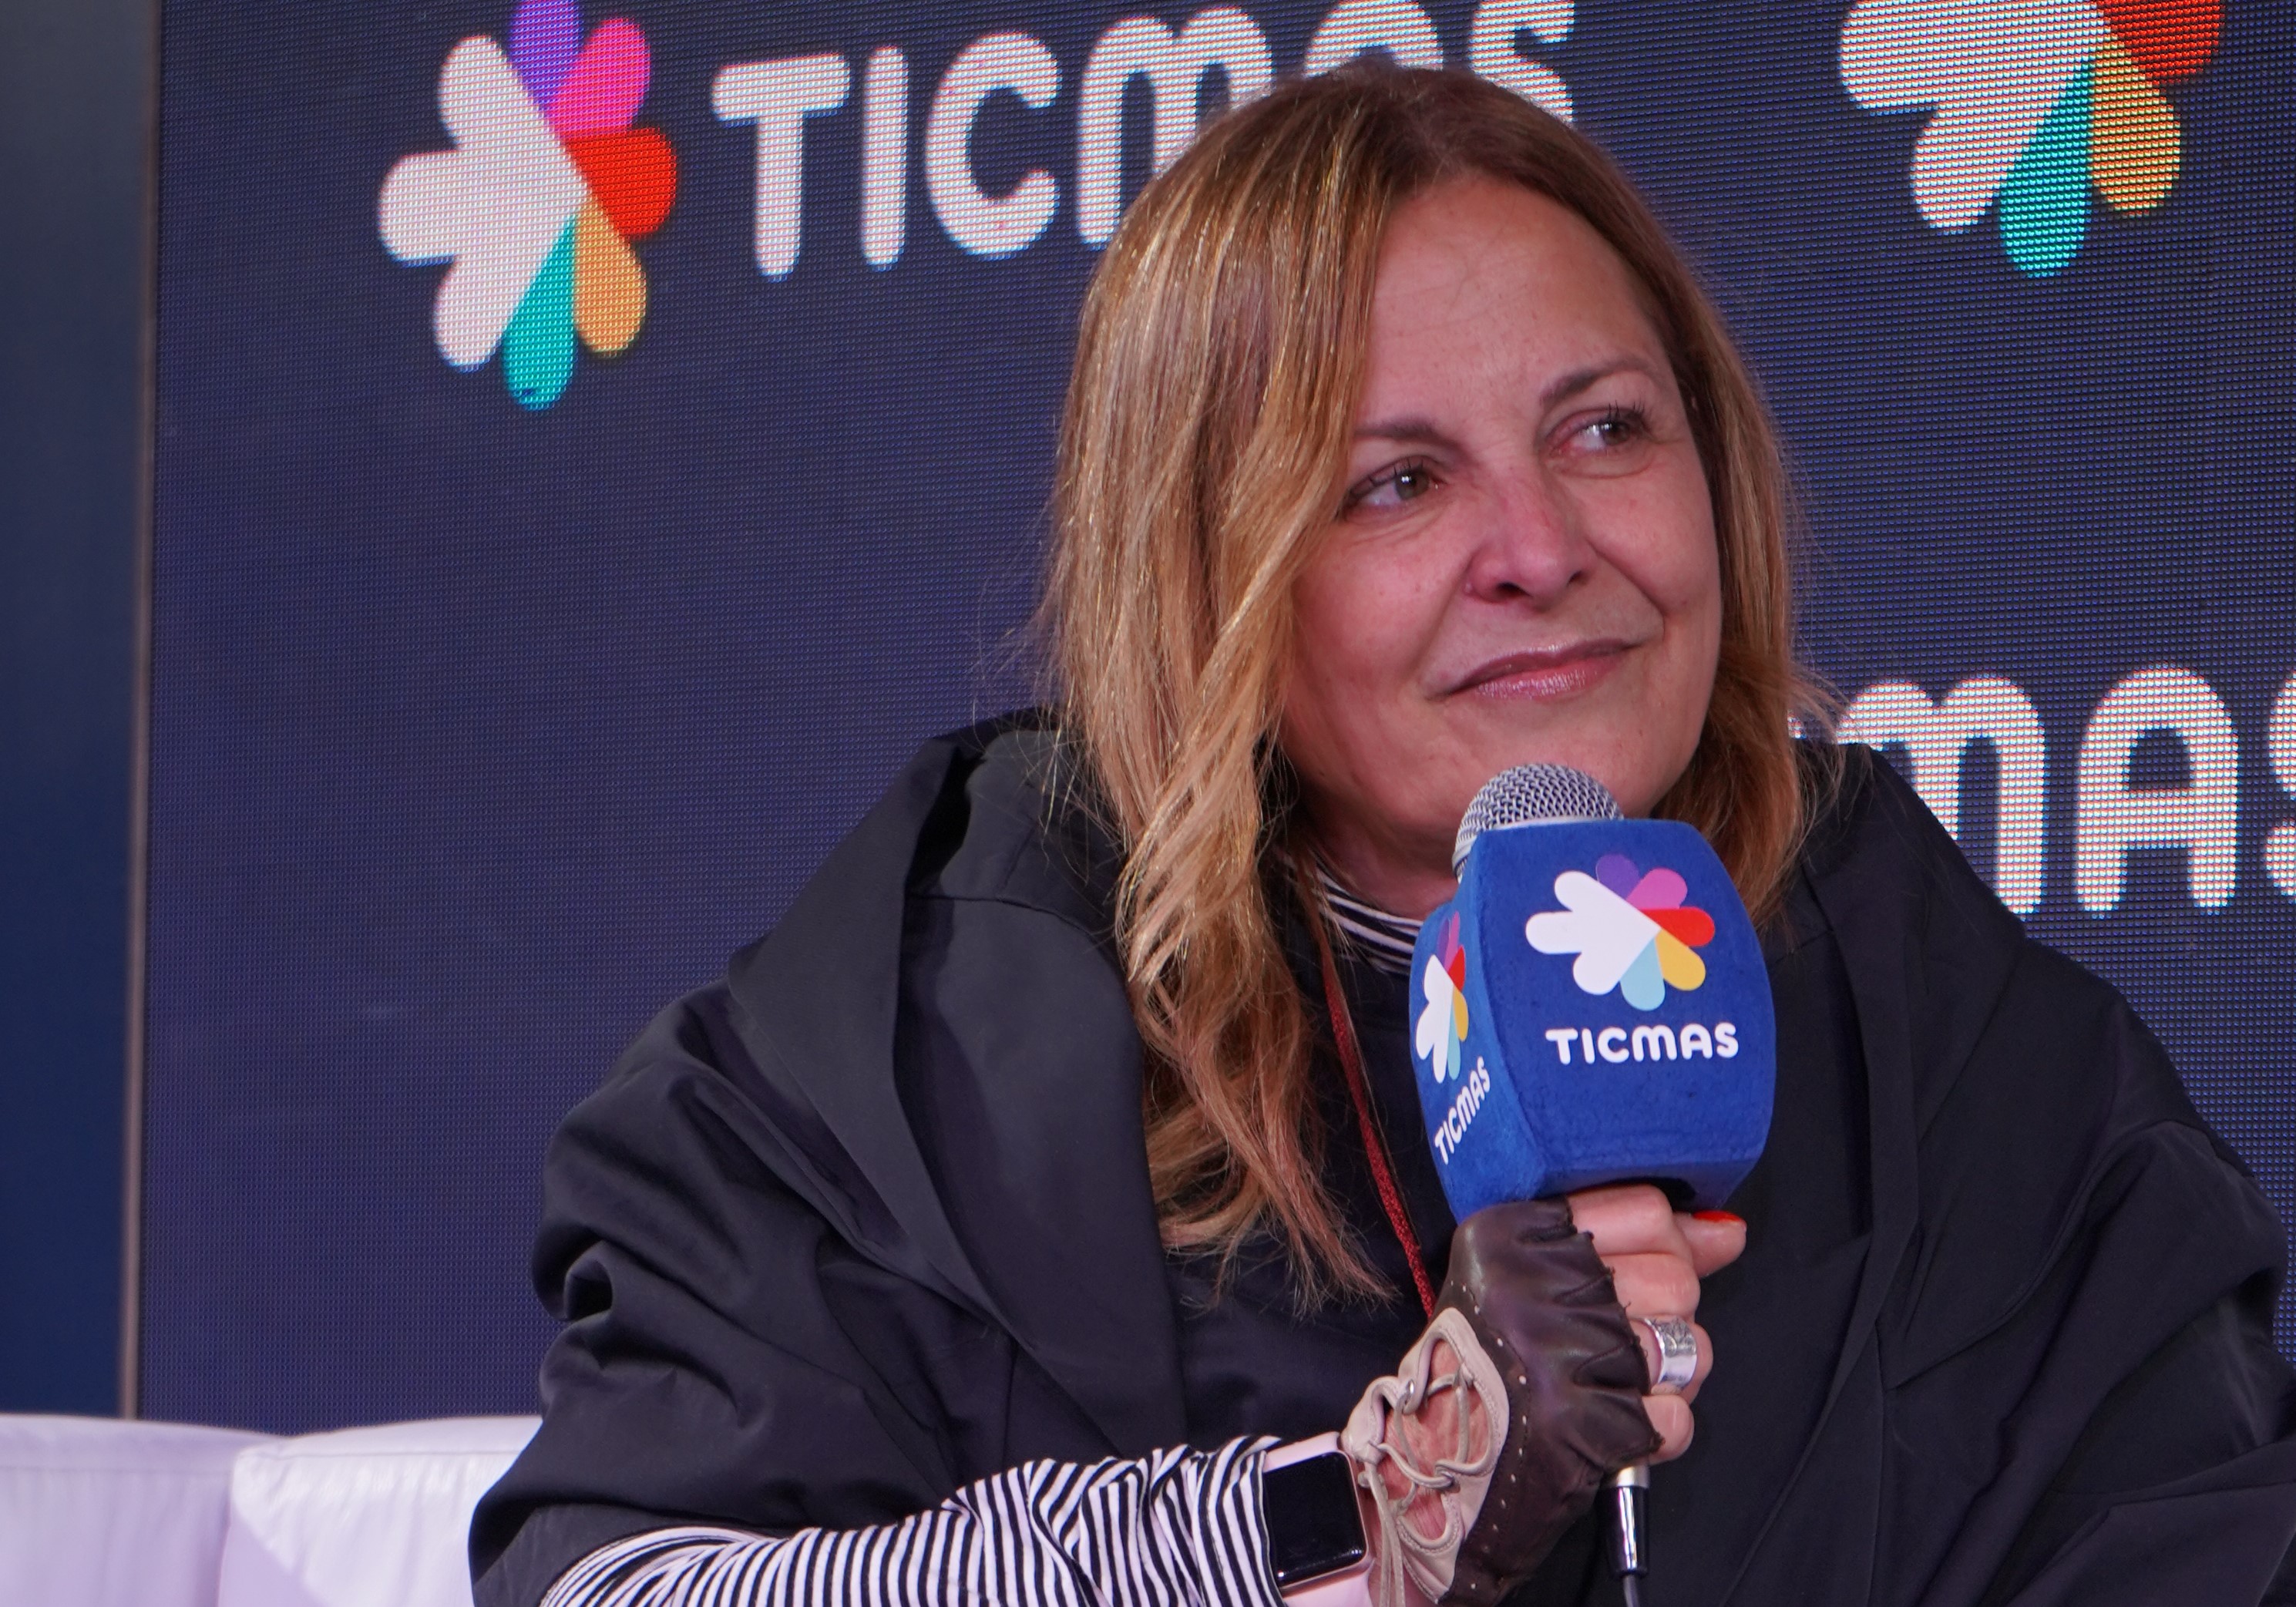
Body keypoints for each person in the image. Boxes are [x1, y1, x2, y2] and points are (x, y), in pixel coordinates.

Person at [469, 66, 2296, 1607]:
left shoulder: (1940, 1011)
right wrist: (1362, 1498)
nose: (1538, 542)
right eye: (1395, 482)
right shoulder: (909, 1034)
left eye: (1601, 427)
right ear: (1203, 578)